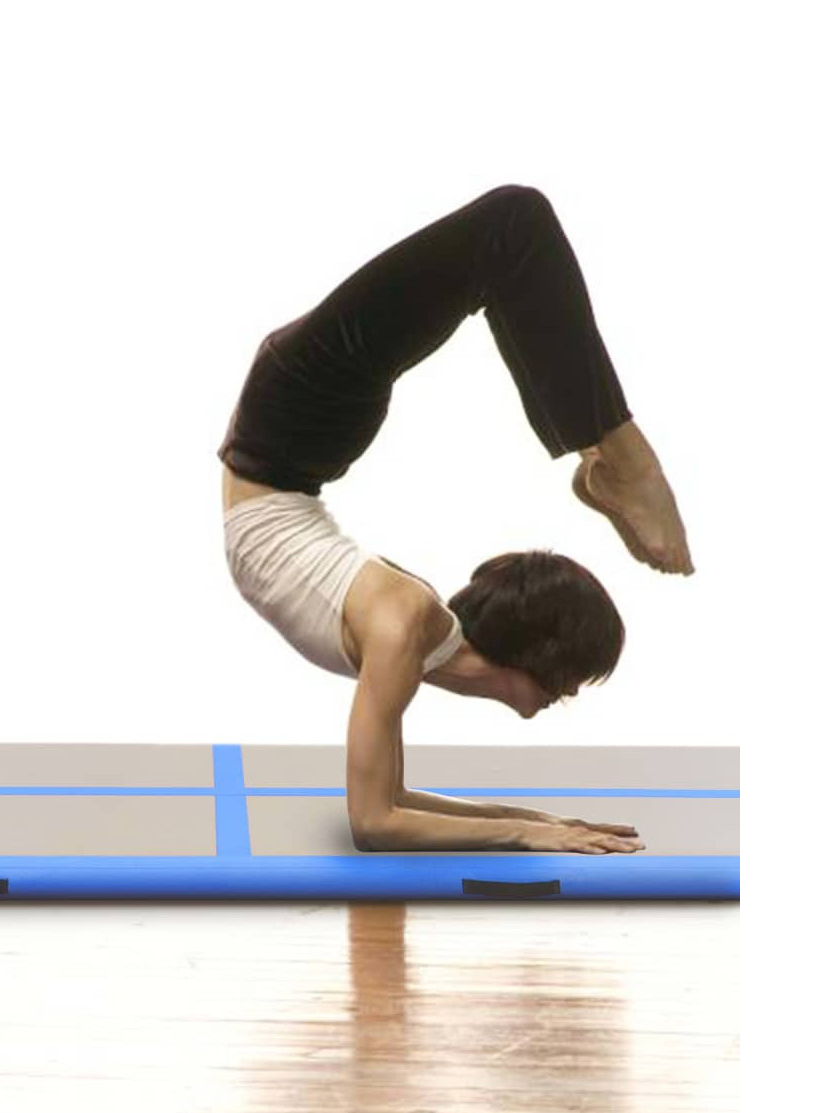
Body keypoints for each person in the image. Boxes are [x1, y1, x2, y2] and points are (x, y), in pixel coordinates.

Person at [218, 184, 695, 856]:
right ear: (538, 654)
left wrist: (538, 820)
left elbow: (392, 800)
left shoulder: (411, 639)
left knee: (508, 241)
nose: (566, 694)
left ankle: (605, 456)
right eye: (572, 676)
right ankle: (623, 461)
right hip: (295, 417)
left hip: (296, 432)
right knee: (513, 224)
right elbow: (373, 824)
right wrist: (523, 833)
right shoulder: (404, 624)